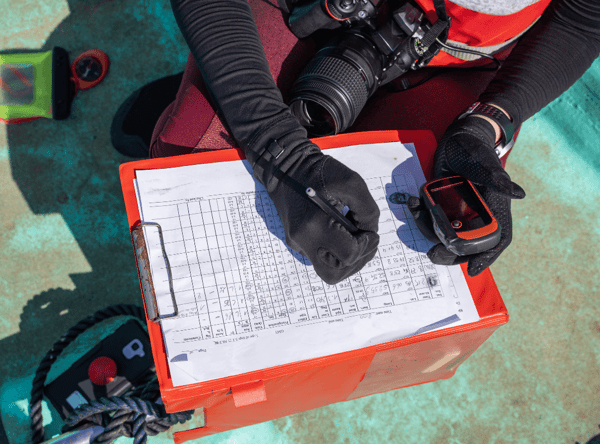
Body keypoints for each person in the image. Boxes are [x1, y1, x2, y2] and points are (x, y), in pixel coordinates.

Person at [111, 0, 600, 285]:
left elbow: (584, 18)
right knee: (191, 159)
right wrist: (276, 148)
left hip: (453, 60)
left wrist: (488, 125)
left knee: (432, 240)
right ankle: (229, 73)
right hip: (304, 10)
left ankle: (234, 79)